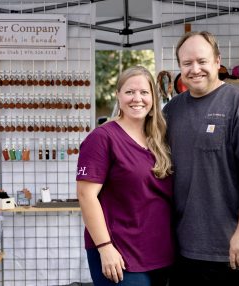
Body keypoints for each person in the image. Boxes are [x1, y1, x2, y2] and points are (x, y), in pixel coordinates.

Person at [163, 31, 239, 285]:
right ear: (179, 67)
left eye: (202, 61)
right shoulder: (172, 110)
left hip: (232, 251)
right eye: (187, 63)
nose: (195, 69)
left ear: (217, 61)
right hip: (184, 251)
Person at [76, 66, 174, 286]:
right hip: (120, 253)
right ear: (118, 96)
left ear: (153, 99)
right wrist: (105, 247)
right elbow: (85, 195)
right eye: (130, 92)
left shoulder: (159, 139)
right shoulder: (102, 138)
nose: (137, 98)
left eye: (144, 92)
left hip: (159, 252)